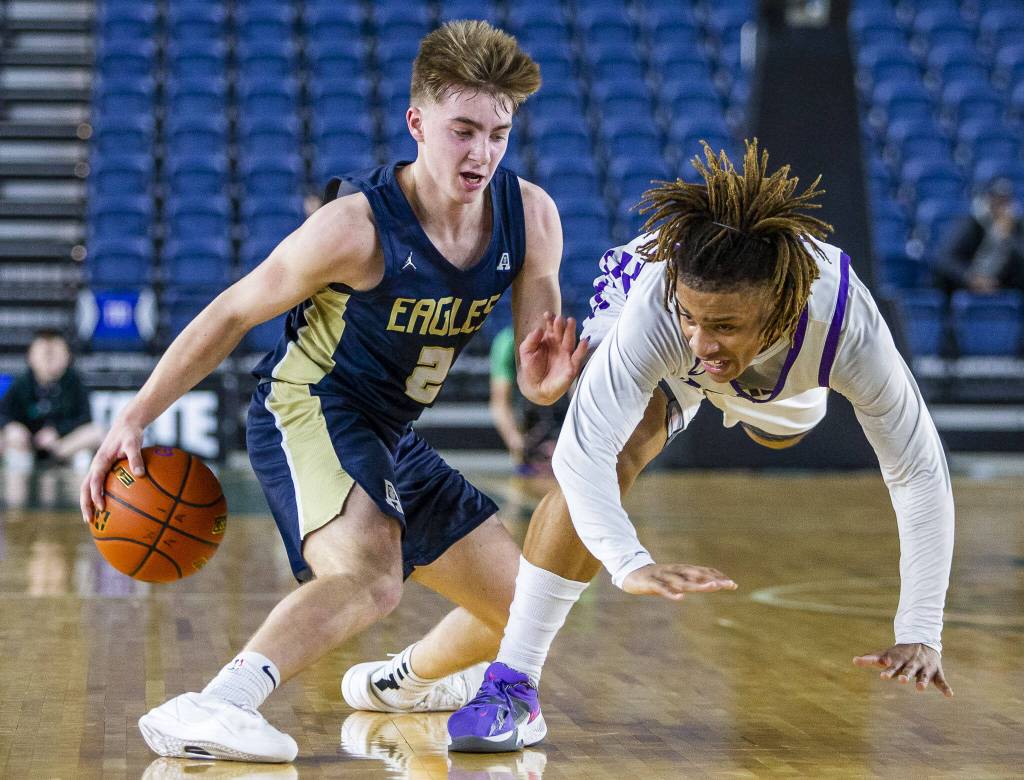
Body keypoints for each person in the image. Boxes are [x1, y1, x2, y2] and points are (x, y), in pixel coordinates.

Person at [80, 20, 587, 763]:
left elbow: (537, 363)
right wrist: (134, 416)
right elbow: (229, 312)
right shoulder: (357, 227)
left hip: (389, 430)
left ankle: (401, 683)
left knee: (525, 606)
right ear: (417, 123)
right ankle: (217, 703)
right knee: (370, 575)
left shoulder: (530, 214)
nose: (481, 153)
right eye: (463, 130)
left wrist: (547, 379)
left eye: (498, 134)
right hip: (309, 405)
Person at [437, 140, 955, 752]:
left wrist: (921, 627)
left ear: (782, 310)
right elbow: (581, 454)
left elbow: (918, 473)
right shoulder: (662, 307)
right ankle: (512, 683)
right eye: (694, 318)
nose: (704, 340)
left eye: (725, 325)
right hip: (659, 337)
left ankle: (416, 675)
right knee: (618, 449)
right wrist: (628, 563)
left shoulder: (846, 326)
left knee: (781, 430)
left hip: (786, 377)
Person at [1, 329, 104, 478]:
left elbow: (85, 418)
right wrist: (13, 428)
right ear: (31, 357)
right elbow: (3, 414)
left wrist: (57, 431)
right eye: (44, 354)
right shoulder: (21, 383)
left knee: (95, 434)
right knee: (11, 446)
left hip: (63, 445)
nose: (49, 360)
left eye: (55, 354)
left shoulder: (74, 382)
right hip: (28, 444)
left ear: (68, 356)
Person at [489, 325, 568, 475]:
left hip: (559, 419)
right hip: (527, 424)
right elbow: (500, 404)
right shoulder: (506, 342)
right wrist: (516, 443)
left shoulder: (568, 335)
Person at [934, 176, 1024, 296]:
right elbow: (945, 258)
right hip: (966, 287)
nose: (1000, 206)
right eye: (996, 200)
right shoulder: (972, 222)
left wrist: (1006, 237)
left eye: (1005, 202)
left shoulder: (1015, 224)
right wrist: (971, 278)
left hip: (1003, 287)